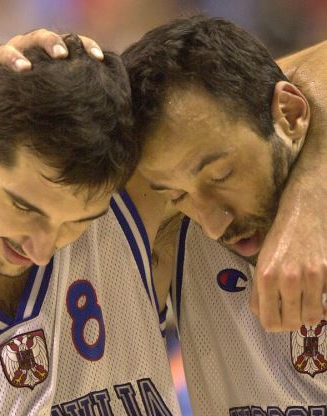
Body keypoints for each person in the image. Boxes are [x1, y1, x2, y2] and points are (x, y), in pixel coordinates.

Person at [0, 36, 180, 415]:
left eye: (77, 223)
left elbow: (272, 99)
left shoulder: (122, 209)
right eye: (23, 207)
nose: (42, 249)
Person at [122, 16, 327, 413]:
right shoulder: (168, 226)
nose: (213, 224)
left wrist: (307, 201)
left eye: (221, 175)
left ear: (289, 113)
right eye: (177, 194)